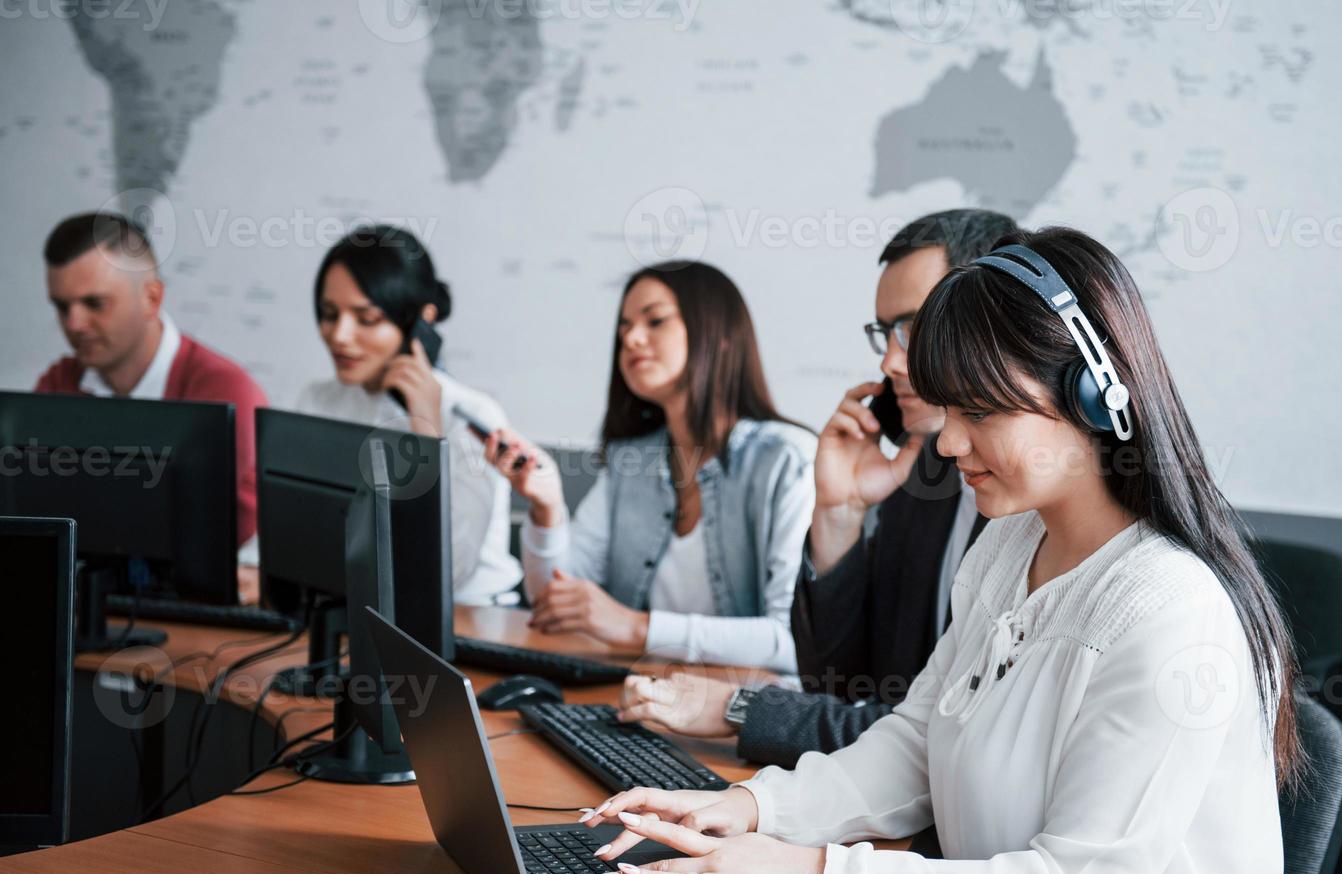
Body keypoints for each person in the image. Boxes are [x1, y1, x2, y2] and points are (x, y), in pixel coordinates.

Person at [580, 227, 1327, 874]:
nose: (946, 444)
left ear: (1093, 398)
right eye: (948, 410)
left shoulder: (1169, 610)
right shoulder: (1009, 546)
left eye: (981, 412)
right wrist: (752, 808)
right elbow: (919, 742)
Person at [615, 210, 1017, 766]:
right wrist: (839, 514)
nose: (890, 361)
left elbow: (941, 743)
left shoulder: (1040, 513)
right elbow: (847, 686)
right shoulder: (923, 478)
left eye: (915, 327)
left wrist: (738, 709)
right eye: (885, 333)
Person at [487, 261, 815, 671]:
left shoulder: (788, 459)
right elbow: (553, 603)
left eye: (655, 321)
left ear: (720, 334)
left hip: (739, 719)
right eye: (624, 328)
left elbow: (793, 642)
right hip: (642, 700)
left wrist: (636, 628)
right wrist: (547, 506)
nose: (632, 339)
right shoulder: (631, 460)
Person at [35, 211, 268, 589]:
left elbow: (241, 545)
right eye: (62, 307)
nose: (73, 324)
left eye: (94, 304)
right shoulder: (59, 384)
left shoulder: (225, 394)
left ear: (151, 298)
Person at [296, 224, 520, 605]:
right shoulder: (318, 400)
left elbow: (446, 571)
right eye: (329, 314)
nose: (339, 336)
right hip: (356, 606)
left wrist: (425, 433)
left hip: (471, 620)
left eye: (366, 319)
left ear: (421, 320)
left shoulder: (471, 416)